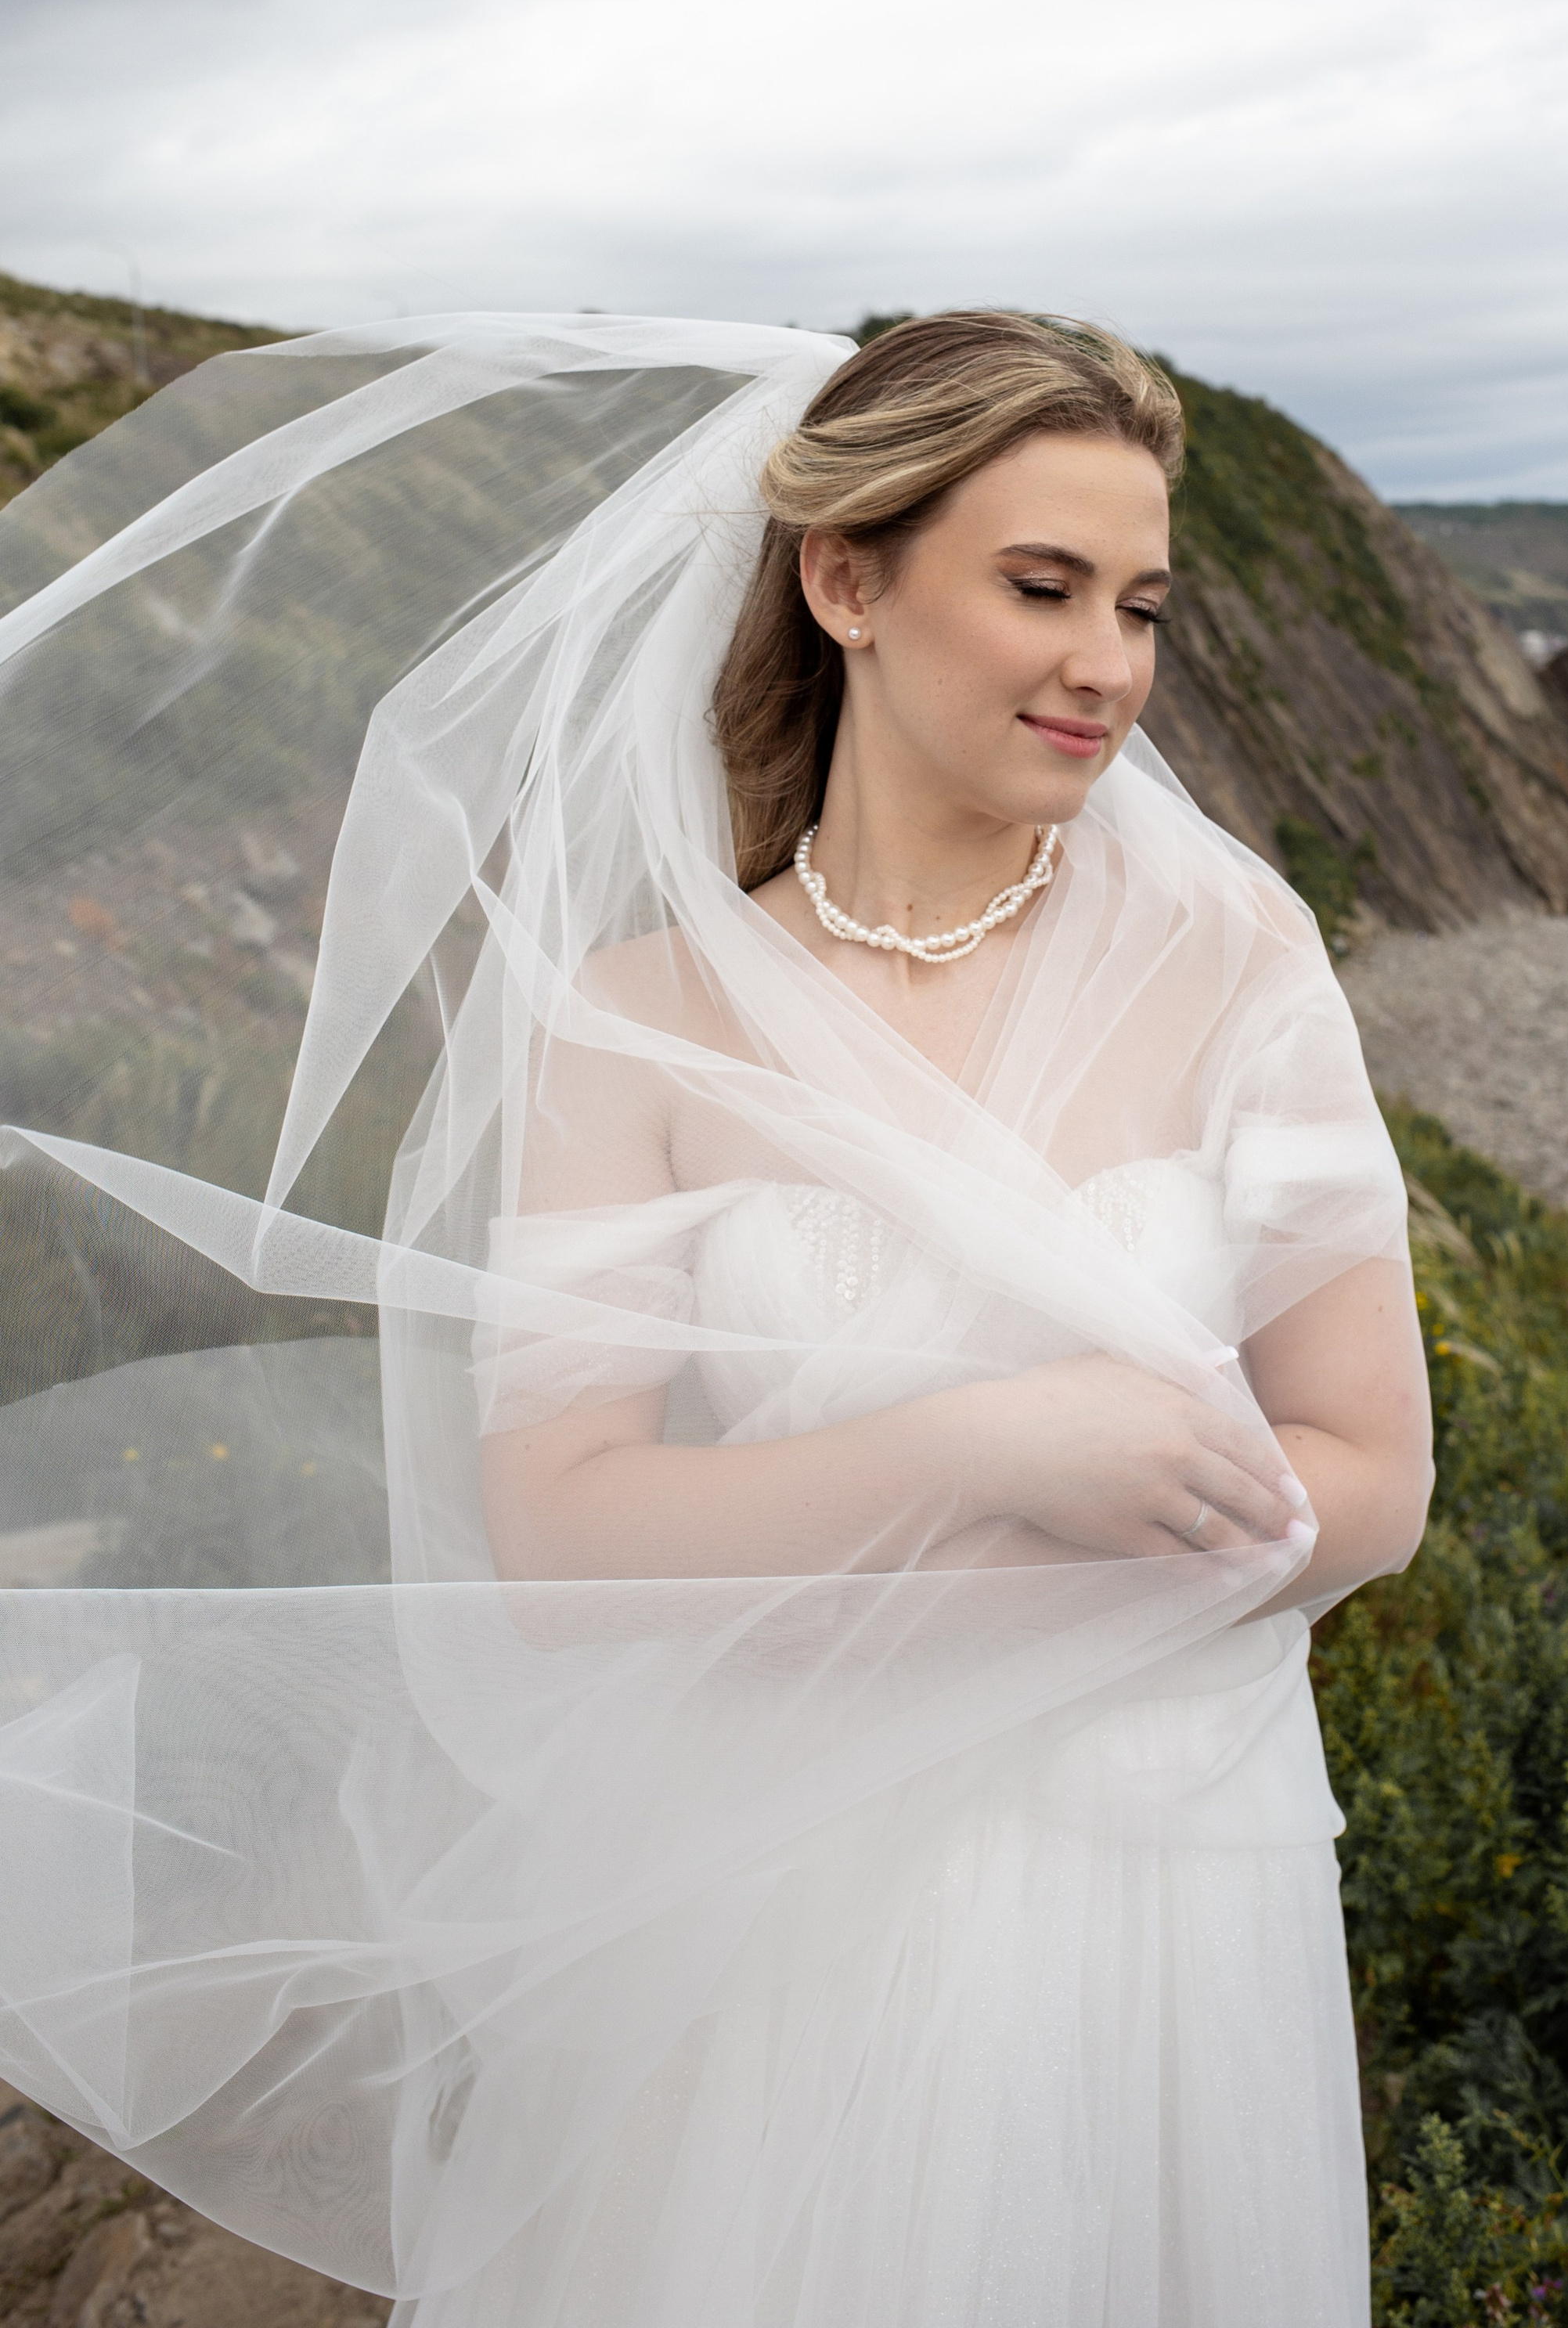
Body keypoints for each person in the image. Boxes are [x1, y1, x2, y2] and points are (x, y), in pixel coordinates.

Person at [0, 306, 1430, 2327]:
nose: (1107, 664)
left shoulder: (1233, 957)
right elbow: (562, 1524)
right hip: (781, 1903)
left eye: (1142, 603)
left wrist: (997, 1544)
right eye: (1041, 587)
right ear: (846, 579)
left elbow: (1373, 1484)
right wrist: (989, 1448)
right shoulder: (642, 1020)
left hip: (1160, 1897)